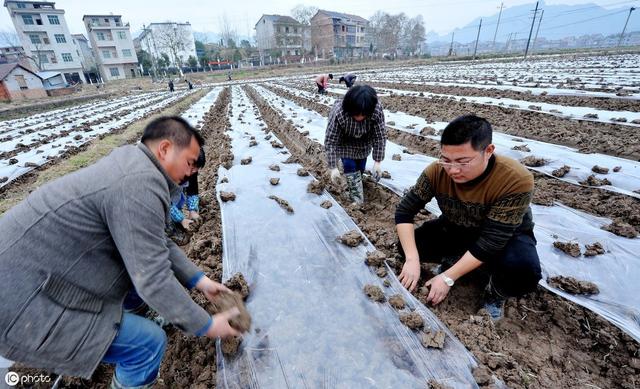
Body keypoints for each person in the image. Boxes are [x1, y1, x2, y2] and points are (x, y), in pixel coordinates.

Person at [0, 117, 242, 388]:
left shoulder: (133, 165)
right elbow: (152, 277)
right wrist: (206, 325)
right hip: (22, 300)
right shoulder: (138, 184)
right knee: (147, 345)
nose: (191, 173)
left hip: (38, 272)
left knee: (134, 275)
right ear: (164, 149)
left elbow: (154, 242)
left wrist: (200, 281)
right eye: (190, 162)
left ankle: (135, 316)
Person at [394, 114, 541, 320]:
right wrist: (412, 259)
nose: (453, 170)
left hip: (504, 238)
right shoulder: (436, 172)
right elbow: (404, 212)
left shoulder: (515, 179)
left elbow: (492, 240)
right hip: (458, 228)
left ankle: (495, 293)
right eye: (446, 160)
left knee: (524, 270)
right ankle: (457, 261)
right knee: (406, 245)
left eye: (463, 162)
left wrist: (447, 278)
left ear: (488, 151)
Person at [325, 85, 386, 204]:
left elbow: (380, 136)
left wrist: (377, 162)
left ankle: (357, 183)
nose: (359, 117)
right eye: (356, 114)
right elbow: (331, 140)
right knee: (349, 165)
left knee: (360, 168)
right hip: (345, 143)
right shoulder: (339, 112)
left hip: (364, 143)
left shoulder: (376, 110)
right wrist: (332, 167)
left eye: (363, 114)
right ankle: (356, 199)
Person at [167, 148, 205, 244]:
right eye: (192, 169)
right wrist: (181, 219)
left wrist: (192, 210)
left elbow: (192, 190)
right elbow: (164, 202)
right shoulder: (167, 172)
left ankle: (176, 218)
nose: (193, 172)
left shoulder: (192, 170)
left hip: (173, 196)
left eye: (196, 169)